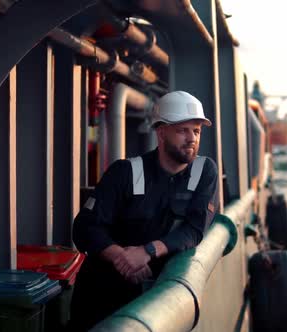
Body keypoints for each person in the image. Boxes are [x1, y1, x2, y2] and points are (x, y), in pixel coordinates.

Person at [69, 91, 218, 331]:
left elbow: (194, 230)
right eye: (183, 130)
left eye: (197, 131)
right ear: (161, 133)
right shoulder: (124, 172)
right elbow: (85, 227)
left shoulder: (204, 172)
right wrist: (122, 257)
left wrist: (147, 252)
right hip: (101, 294)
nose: (192, 138)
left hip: (153, 297)